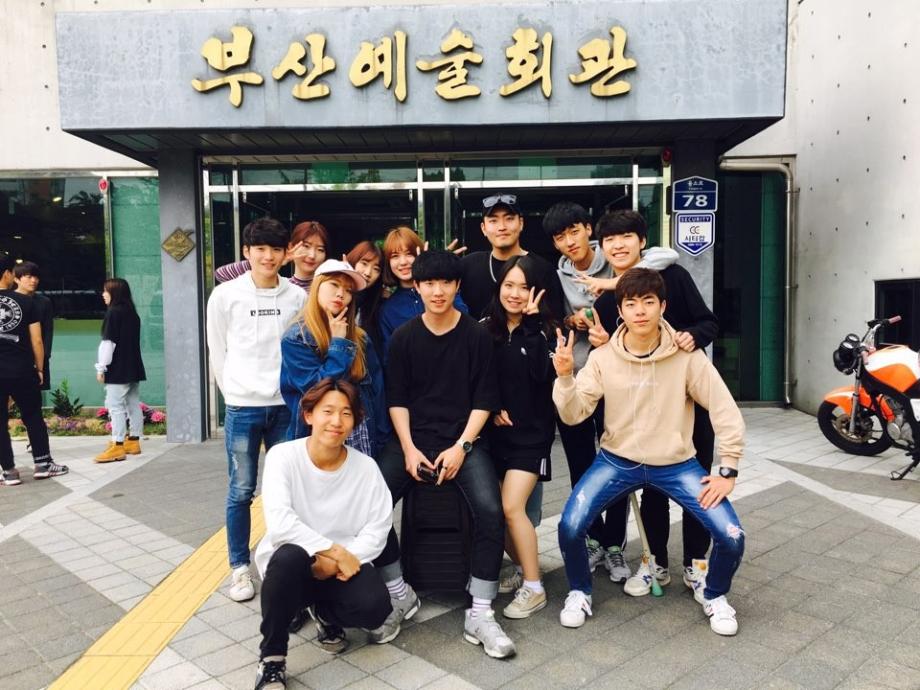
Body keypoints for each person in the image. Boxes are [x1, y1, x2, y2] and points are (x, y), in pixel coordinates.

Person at [553, 268, 745, 636]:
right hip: (616, 460)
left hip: (676, 463)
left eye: (648, 302)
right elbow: (574, 413)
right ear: (620, 311)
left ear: (663, 306)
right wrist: (565, 378)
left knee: (732, 536)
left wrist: (728, 469)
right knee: (570, 526)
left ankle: (715, 594)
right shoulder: (603, 357)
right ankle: (579, 591)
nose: (640, 311)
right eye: (630, 304)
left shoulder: (687, 356)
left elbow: (724, 409)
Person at [374, 249, 516, 659]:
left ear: (457, 286)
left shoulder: (476, 335)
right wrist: (408, 448)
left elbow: (484, 399)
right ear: (417, 287)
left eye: (446, 283)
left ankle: (481, 611)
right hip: (412, 440)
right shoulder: (404, 337)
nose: (438, 291)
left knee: (490, 510)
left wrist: (462, 447)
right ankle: (399, 592)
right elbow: (397, 399)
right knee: (370, 504)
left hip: (464, 442)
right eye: (429, 283)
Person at [541, 201, 678, 585]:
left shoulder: (615, 256)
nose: (570, 241)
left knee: (619, 462)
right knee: (582, 464)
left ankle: (615, 543)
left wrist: (610, 284)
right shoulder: (560, 275)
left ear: (588, 230)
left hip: (619, 380)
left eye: (575, 231)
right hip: (577, 379)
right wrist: (572, 319)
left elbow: (667, 257)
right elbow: (556, 318)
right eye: (560, 237)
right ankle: (594, 539)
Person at [591, 210, 719, 598]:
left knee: (698, 487)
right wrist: (603, 345)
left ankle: (696, 565)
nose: (618, 245)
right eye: (610, 240)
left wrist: (693, 336)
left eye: (626, 236)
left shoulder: (672, 278)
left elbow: (708, 323)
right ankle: (655, 562)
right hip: (642, 411)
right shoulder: (607, 300)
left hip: (689, 403)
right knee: (652, 489)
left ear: (642, 241)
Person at [253, 378, 395, 690]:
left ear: (355, 421)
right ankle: (272, 659)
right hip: (295, 567)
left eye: (346, 413)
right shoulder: (282, 456)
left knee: (375, 606)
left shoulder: (366, 468)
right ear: (309, 415)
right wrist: (333, 552)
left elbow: (379, 525)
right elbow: (281, 523)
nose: (336, 421)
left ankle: (325, 615)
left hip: (340, 569)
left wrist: (341, 559)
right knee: (288, 557)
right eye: (327, 411)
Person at [206, 218, 306, 603]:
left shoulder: (296, 296)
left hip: (285, 406)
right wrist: (231, 393)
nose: (268, 256)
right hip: (243, 407)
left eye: (275, 249)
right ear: (246, 252)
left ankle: (280, 562)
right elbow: (217, 350)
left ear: (286, 253)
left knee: (286, 489)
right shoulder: (225, 296)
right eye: (260, 249)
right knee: (241, 490)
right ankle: (239, 568)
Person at [480, 256, 556, 619]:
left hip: (532, 436)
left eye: (524, 287)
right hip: (494, 437)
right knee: (496, 511)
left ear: (537, 291)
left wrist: (533, 323)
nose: (515, 293)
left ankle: (534, 587)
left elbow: (544, 376)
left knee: (512, 507)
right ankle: (525, 570)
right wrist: (492, 407)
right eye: (508, 285)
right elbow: (477, 377)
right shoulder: (484, 328)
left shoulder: (547, 331)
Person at [280, 258, 389, 458]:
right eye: (334, 285)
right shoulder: (296, 338)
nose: (341, 294)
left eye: (348, 290)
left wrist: (382, 438)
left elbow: (377, 390)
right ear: (317, 286)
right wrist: (339, 344)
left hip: (361, 434)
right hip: (316, 436)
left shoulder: (360, 337)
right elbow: (317, 389)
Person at [0, 254, 68, 486]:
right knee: (32, 416)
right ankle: (42, 464)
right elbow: (37, 341)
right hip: (21, 369)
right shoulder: (26, 302)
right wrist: (39, 369)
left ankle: (9, 471)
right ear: (8, 275)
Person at [460, 193, 564, 319]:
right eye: (493, 221)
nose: (502, 227)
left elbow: (556, 321)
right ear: (483, 228)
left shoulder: (543, 269)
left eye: (509, 219)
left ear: (521, 223)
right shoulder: (468, 266)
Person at [377, 225, 468, 356]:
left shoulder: (441, 292)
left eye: (409, 254)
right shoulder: (388, 310)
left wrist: (442, 267)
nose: (403, 262)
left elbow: (463, 317)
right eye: (395, 256)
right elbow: (390, 358)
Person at [94, 278, 147, 463]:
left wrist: (101, 367)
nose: (103, 294)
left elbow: (108, 343)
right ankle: (133, 441)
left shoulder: (113, 313)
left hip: (118, 368)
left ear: (114, 293)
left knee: (115, 406)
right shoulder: (133, 314)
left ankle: (117, 445)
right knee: (133, 403)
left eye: (106, 291)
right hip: (133, 367)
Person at [215, 220, 329, 292]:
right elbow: (221, 273)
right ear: (290, 247)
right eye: (306, 246)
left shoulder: (328, 287)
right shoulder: (281, 287)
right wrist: (279, 260)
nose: (312, 255)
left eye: (320, 249)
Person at [13, 262, 53, 391]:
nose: (33, 281)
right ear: (16, 279)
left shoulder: (44, 302)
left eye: (36, 277)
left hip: (37, 355)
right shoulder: (9, 300)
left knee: (34, 393)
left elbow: (47, 331)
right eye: (29, 277)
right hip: (12, 355)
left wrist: (44, 357)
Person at [345, 240, 386, 364]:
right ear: (353, 261)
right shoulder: (335, 298)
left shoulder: (378, 305)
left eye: (376, 269)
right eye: (364, 263)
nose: (368, 273)